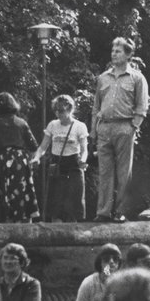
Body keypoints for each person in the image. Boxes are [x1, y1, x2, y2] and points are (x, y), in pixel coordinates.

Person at [90, 36, 149, 222]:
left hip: (125, 126)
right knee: (105, 171)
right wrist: (94, 130)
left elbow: (142, 107)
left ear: (128, 54)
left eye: (118, 51)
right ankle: (103, 212)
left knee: (124, 172)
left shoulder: (137, 78)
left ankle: (120, 212)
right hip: (104, 128)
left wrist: (133, 126)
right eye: (113, 51)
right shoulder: (102, 78)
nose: (113, 54)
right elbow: (96, 107)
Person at [30, 94, 88, 222]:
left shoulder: (79, 126)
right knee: (55, 200)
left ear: (70, 109)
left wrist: (83, 160)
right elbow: (43, 146)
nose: (58, 114)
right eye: (56, 110)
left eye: (61, 110)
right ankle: (55, 227)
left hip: (74, 163)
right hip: (57, 164)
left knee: (76, 199)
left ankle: (77, 228)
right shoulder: (53, 125)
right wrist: (37, 157)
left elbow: (84, 149)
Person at [0, 92, 40, 223]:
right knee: (22, 190)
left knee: (1, 191)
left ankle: (3, 219)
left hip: (1, 159)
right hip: (20, 160)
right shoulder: (22, 123)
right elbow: (33, 145)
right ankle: (23, 218)